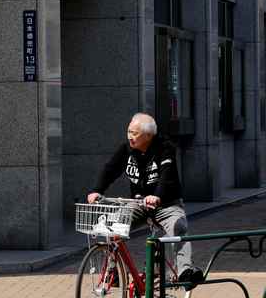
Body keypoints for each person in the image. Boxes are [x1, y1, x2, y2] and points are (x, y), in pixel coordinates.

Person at [87, 112, 203, 284]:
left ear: (148, 135)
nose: (130, 137)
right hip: (139, 204)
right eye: (129, 132)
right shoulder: (126, 150)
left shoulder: (165, 147)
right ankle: (114, 271)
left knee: (179, 227)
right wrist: (97, 190)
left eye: (135, 133)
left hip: (167, 205)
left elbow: (167, 174)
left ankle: (185, 270)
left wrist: (157, 196)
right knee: (112, 225)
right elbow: (110, 169)